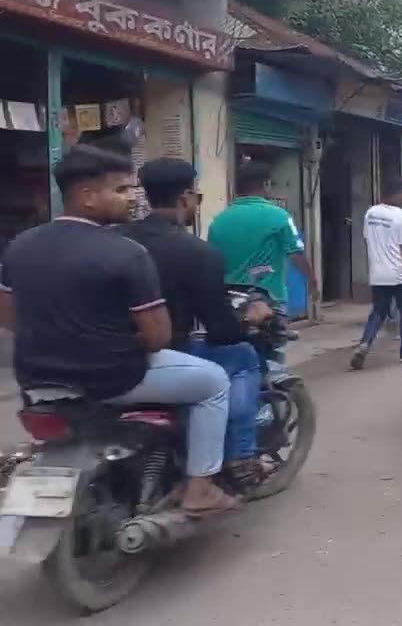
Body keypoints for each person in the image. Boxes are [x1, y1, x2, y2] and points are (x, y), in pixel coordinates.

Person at [0, 146, 238, 514]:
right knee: (214, 381)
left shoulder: (20, 245)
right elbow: (158, 337)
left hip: (36, 379)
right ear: (87, 196)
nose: (132, 199)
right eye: (122, 190)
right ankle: (201, 487)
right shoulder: (126, 253)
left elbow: (10, 318)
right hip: (112, 379)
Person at [118, 158, 275, 490]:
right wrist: (248, 319)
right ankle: (241, 457)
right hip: (162, 354)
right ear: (185, 197)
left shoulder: (116, 240)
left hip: (109, 351)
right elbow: (221, 331)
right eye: (198, 197)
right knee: (243, 356)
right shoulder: (197, 252)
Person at [208, 161, 318, 309]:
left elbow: (212, 263)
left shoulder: (218, 221)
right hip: (268, 302)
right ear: (266, 184)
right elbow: (296, 254)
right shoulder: (279, 216)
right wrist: (312, 282)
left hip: (232, 302)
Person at [351, 177, 402, 370]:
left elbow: (367, 239)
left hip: (378, 274)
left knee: (378, 312)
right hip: (399, 273)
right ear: (398, 193)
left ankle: (364, 343)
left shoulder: (370, 213)